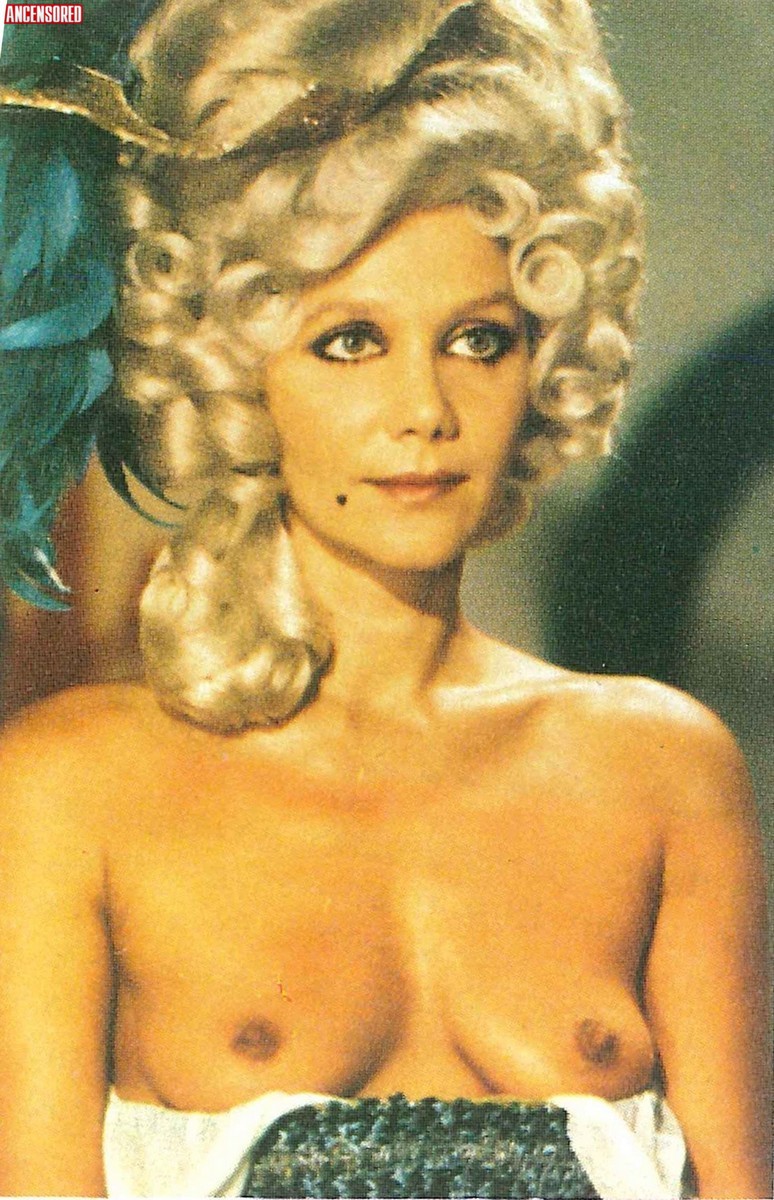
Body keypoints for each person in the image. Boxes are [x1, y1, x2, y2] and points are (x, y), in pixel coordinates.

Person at [0, 1, 770, 1196]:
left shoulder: (663, 771)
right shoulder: (69, 789)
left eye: (478, 339)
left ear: (550, 358)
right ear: (235, 366)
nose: (425, 410)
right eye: (351, 342)